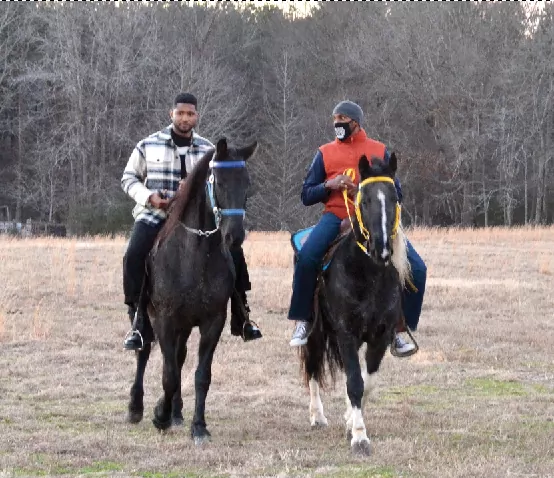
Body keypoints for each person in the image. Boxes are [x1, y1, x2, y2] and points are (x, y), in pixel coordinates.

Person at [120, 92, 261, 350]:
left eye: (190, 114)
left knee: (234, 252)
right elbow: (128, 178)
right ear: (171, 114)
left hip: (196, 222)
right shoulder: (148, 145)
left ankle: (242, 315)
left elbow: (216, 185)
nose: (185, 118)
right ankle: (138, 320)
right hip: (156, 214)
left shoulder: (209, 151)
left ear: (196, 116)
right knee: (134, 254)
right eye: (180, 113)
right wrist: (149, 197)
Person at [288, 100, 426, 356]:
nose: (337, 123)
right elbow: (306, 195)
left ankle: (400, 329)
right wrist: (328, 185)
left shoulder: (379, 150)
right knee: (307, 257)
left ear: (356, 122)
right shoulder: (324, 152)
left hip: (375, 219)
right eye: (334, 119)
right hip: (336, 215)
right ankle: (303, 320)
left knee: (417, 268)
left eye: (342, 119)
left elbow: (397, 193)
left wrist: (361, 190)